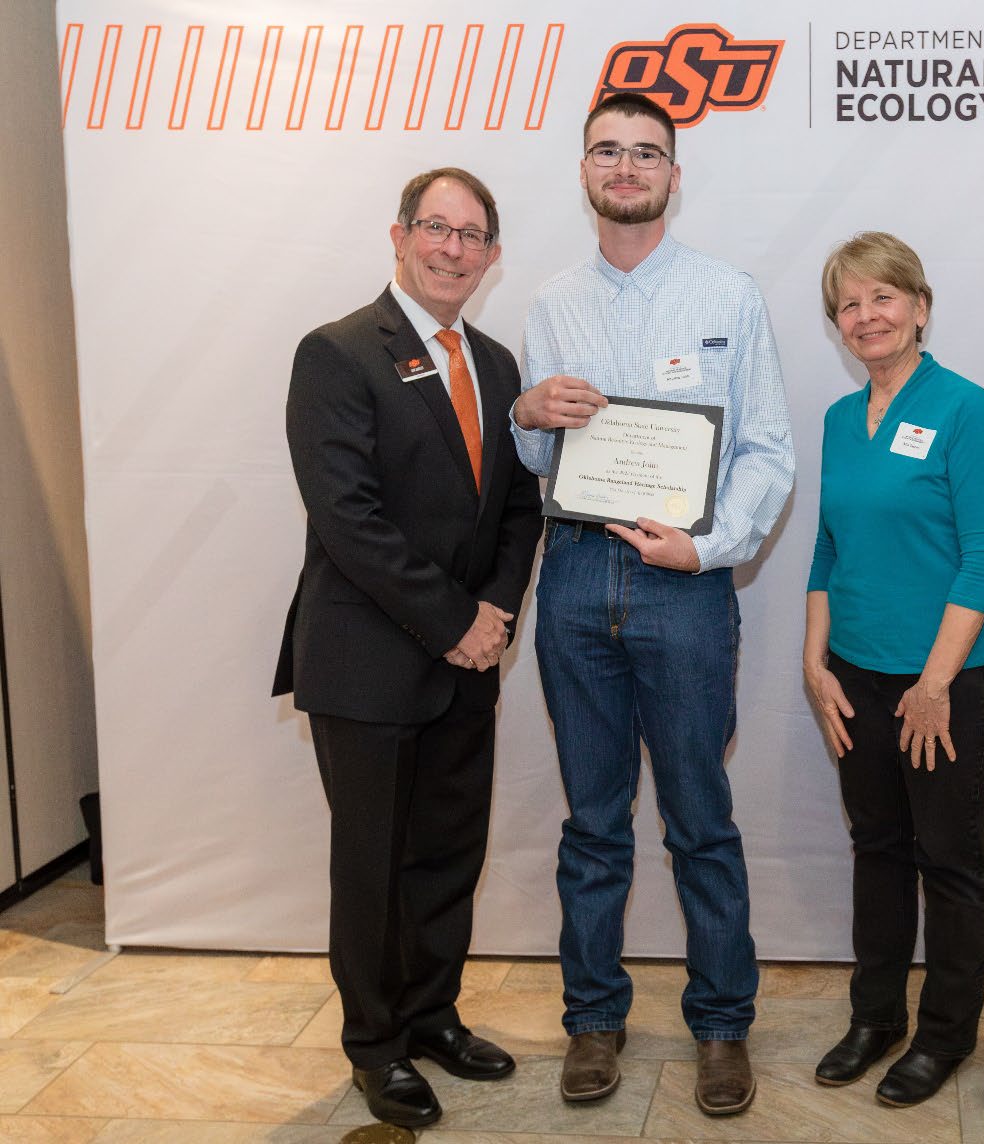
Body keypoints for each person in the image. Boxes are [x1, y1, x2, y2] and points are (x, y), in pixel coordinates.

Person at [510, 92, 794, 1117]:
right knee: (592, 821)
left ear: (674, 174)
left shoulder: (728, 293)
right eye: (607, 151)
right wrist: (526, 413)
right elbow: (536, 456)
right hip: (578, 574)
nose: (625, 167)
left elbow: (766, 448)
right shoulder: (550, 303)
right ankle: (593, 1018)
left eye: (645, 152)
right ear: (584, 171)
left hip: (686, 583)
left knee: (699, 819)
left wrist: (706, 547)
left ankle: (720, 1026)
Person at [273, 168, 543, 1129]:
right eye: (436, 228)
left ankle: (433, 1016)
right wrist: (455, 621)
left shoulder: (497, 366)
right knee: (373, 864)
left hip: (467, 663)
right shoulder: (338, 353)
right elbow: (348, 519)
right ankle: (376, 1045)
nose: (452, 250)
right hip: (369, 663)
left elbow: (517, 507)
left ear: (492, 256)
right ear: (399, 236)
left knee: (447, 853)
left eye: (472, 236)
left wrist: (495, 612)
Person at [803, 232, 984, 1107]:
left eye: (881, 297)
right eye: (848, 304)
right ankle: (875, 1016)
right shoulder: (837, 419)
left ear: (919, 307)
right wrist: (813, 660)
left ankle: (945, 1035)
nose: (865, 316)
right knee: (877, 850)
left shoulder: (963, 408)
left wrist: (932, 685)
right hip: (855, 676)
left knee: (950, 861)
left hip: (948, 684)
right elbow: (828, 546)